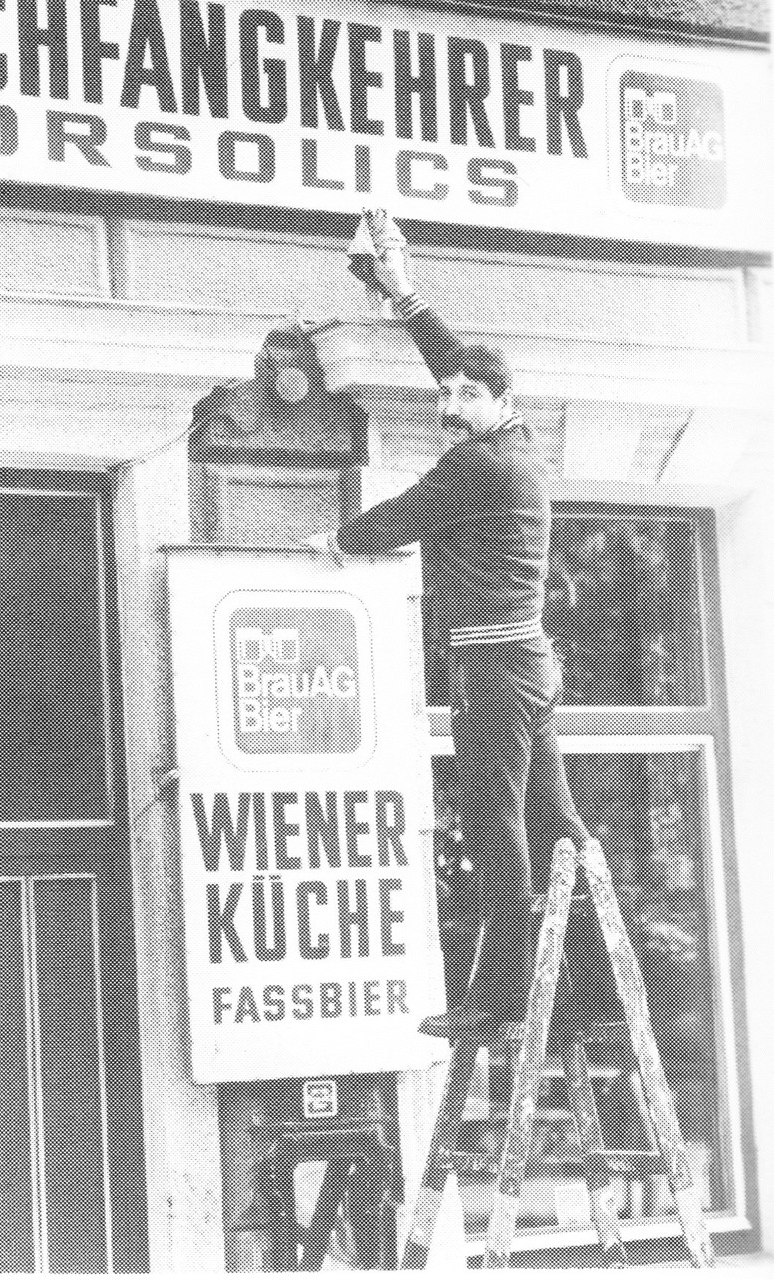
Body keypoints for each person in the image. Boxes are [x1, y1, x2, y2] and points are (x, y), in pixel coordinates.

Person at [310, 210, 590, 1038]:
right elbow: (455, 364)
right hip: (527, 664)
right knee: (556, 824)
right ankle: (581, 983)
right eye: (447, 393)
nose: (451, 403)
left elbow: (402, 515)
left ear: (500, 402)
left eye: (468, 395)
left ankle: (502, 995)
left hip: (496, 669)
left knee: (496, 826)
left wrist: (337, 539)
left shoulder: (473, 463)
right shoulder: (519, 446)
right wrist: (405, 295)